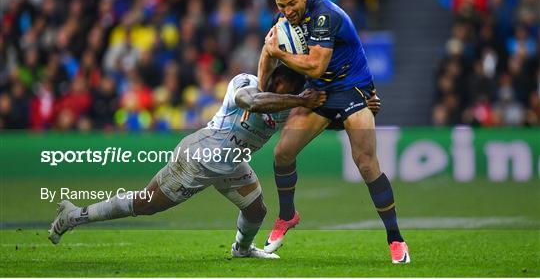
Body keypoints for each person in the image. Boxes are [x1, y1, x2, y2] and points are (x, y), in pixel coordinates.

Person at [48, 64, 378, 258]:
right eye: (290, 87)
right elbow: (251, 101)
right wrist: (295, 100)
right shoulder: (246, 83)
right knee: (145, 204)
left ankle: (241, 250)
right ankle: (73, 215)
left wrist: (358, 111)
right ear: (277, 81)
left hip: (233, 163)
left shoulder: (287, 105)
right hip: (198, 159)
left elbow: (327, 119)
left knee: (256, 210)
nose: (292, 93)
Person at [258, 0, 410, 264]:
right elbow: (267, 53)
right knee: (283, 152)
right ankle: (287, 216)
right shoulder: (284, 21)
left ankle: (395, 238)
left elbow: (315, 66)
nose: (288, 11)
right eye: (281, 6)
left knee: (366, 163)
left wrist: (278, 51)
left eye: (292, 3)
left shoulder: (324, 15)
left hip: (352, 89)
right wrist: (260, 88)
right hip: (318, 94)